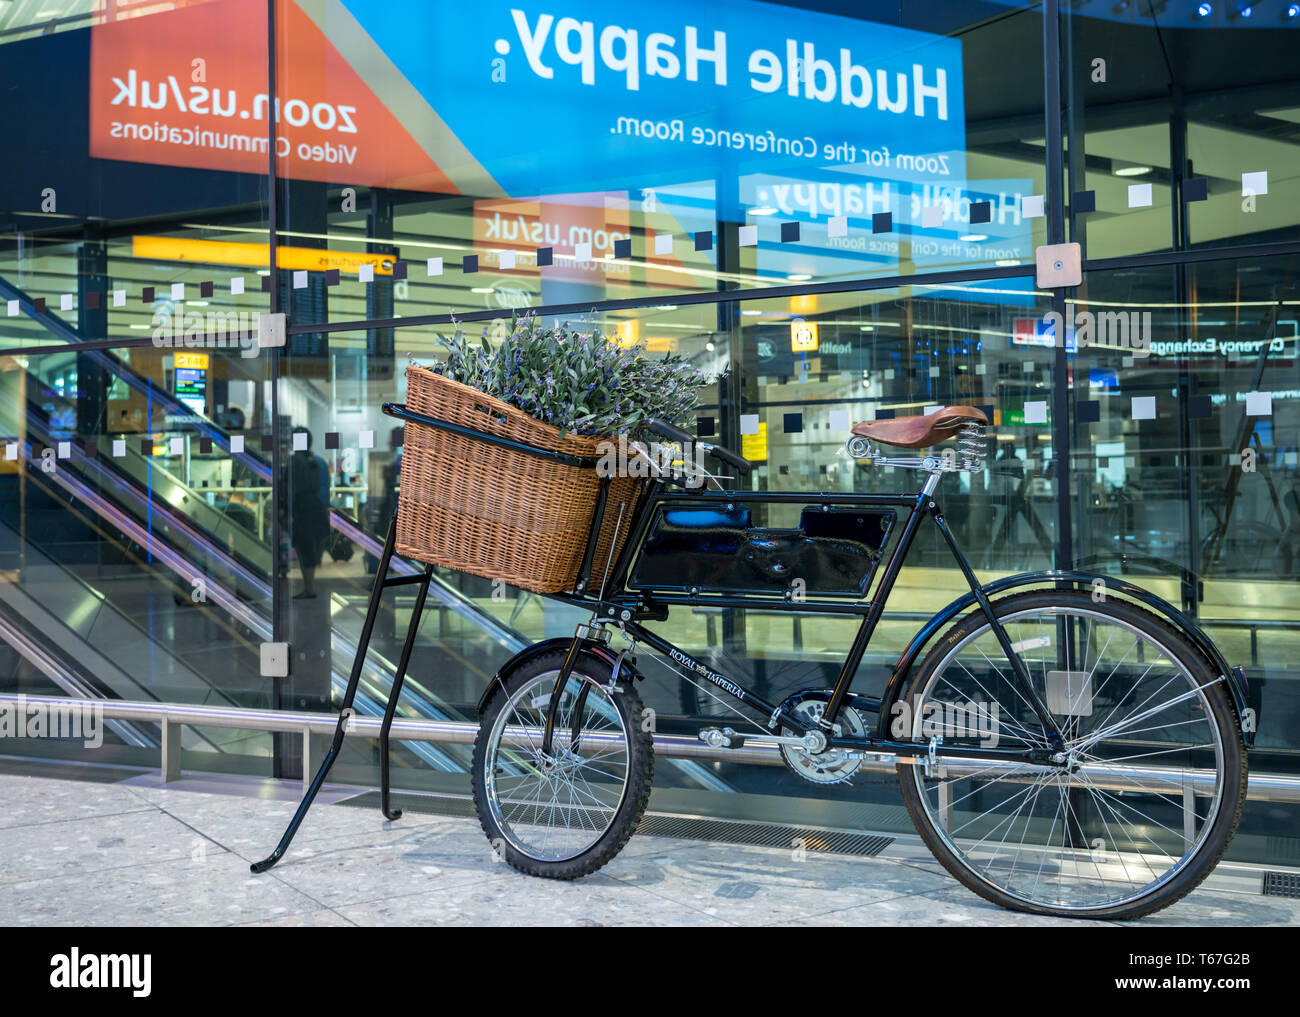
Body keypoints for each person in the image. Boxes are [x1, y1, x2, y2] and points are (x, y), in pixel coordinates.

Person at [287, 426, 331, 599]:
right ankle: (309, 587)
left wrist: (286, 511)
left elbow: (292, 488)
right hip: (317, 508)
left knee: (304, 550)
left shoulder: (295, 460)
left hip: (302, 510)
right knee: (310, 550)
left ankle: (309, 588)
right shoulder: (314, 460)